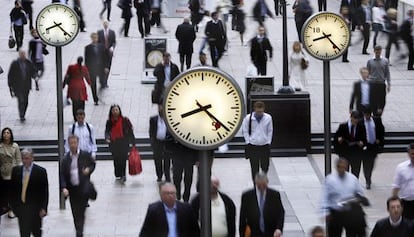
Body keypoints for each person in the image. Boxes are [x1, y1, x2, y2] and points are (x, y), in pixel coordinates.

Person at [320, 158, 368, 237]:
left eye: (343, 167)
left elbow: (360, 193)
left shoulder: (352, 179)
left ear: (346, 167)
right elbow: (324, 197)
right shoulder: (330, 180)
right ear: (336, 167)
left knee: (352, 233)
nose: (342, 169)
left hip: (350, 213)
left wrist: (357, 199)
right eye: (340, 167)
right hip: (336, 213)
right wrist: (324, 212)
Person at [60, 135, 96, 237]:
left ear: (78, 143)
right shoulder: (66, 159)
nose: (73, 145)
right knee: (75, 212)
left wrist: (89, 170)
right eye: (71, 143)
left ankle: (79, 232)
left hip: (83, 188)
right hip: (72, 190)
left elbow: (93, 164)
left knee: (81, 211)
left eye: (74, 143)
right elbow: (62, 174)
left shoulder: (85, 155)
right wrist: (64, 187)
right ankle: (78, 229)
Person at [10, 148, 48, 237]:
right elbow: (12, 191)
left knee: (36, 233)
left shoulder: (40, 172)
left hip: (35, 209)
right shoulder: (16, 171)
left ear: (32, 158)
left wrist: (44, 208)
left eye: (27, 158)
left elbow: (44, 192)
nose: (24, 161)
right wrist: (14, 208)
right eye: (23, 158)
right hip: (22, 209)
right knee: (24, 233)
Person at [239, 172, 285, 237]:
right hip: (253, 232)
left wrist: (279, 228)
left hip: (271, 232)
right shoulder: (247, 196)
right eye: (259, 185)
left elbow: (281, 212)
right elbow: (242, 217)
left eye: (264, 184)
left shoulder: (274, 195)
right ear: (256, 183)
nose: (262, 187)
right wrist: (242, 234)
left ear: (267, 182)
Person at [242, 101, 273, 182]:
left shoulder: (268, 117)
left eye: (261, 111)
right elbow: (245, 130)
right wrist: (248, 141)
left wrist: (268, 141)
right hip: (253, 146)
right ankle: (255, 185)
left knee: (265, 166)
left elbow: (270, 130)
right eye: (258, 111)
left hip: (264, 145)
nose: (260, 113)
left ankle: (263, 182)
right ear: (254, 109)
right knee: (254, 168)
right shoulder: (248, 118)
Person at [105, 104, 135, 183]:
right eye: (113, 110)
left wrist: (133, 142)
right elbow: (107, 131)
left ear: (119, 111)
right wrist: (107, 138)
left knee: (123, 159)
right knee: (116, 159)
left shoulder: (125, 120)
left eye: (116, 110)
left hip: (124, 142)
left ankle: (123, 174)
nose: (115, 112)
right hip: (114, 143)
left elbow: (130, 131)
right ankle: (118, 173)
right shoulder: (109, 122)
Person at [333, 111, 366, 177]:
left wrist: (362, 143)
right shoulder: (343, 126)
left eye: (357, 119)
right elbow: (336, 138)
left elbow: (364, 139)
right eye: (354, 118)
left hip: (356, 154)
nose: (356, 121)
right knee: (344, 173)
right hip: (345, 153)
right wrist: (339, 140)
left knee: (355, 173)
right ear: (351, 117)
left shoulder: (361, 127)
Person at [0, 127, 22, 219]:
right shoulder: (0, 146)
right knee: (5, 192)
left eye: (8, 132)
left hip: (13, 172)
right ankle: (6, 207)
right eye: (4, 132)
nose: (6, 134)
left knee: (13, 192)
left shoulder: (15, 146)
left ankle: (12, 209)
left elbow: (18, 159)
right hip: (3, 172)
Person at [8, 49, 35, 122]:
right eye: (22, 54)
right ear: (19, 55)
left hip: (26, 86)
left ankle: (23, 113)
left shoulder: (28, 63)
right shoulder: (15, 64)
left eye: (24, 54)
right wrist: (10, 85)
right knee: (21, 100)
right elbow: (10, 75)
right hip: (18, 86)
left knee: (26, 101)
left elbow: (32, 71)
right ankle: (21, 115)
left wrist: (35, 77)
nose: (23, 55)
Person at [360, 108, 384, 189]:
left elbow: (381, 130)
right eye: (365, 115)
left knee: (371, 163)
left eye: (368, 115)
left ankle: (369, 174)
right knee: (365, 164)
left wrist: (379, 140)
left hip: (373, 146)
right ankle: (368, 179)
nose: (367, 116)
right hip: (365, 146)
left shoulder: (376, 120)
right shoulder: (360, 122)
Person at [63, 56, 91, 122]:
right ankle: (81, 115)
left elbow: (66, 76)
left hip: (73, 86)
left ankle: (75, 117)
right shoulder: (84, 68)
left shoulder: (71, 67)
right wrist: (90, 84)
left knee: (75, 103)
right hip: (81, 87)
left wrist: (63, 85)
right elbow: (87, 78)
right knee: (82, 102)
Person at [366, 45, 390, 117]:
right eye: (376, 50)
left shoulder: (385, 61)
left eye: (379, 50)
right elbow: (368, 72)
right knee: (372, 99)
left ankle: (379, 113)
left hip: (381, 83)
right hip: (372, 83)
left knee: (382, 99)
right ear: (374, 51)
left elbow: (387, 73)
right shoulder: (370, 61)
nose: (378, 52)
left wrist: (389, 84)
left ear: (381, 51)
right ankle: (374, 113)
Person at [392, 143, 414, 219]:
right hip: (406, 203)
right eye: (412, 154)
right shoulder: (401, 167)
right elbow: (396, 186)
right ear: (408, 154)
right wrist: (393, 201)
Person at [149, 105, 171, 182]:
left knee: (167, 160)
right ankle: (159, 175)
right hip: (157, 142)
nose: (161, 109)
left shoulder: (169, 119)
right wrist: (152, 141)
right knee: (157, 160)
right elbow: (151, 131)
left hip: (167, 142)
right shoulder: (153, 119)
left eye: (162, 107)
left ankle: (167, 176)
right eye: (159, 107)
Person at [84, 32, 107, 105]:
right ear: (91, 38)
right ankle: (95, 99)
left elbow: (105, 57)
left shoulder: (102, 46)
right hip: (92, 69)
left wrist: (106, 67)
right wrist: (86, 70)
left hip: (100, 68)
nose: (94, 39)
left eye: (96, 37)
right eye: (93, 38)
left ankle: (100, 93)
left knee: (102, 82)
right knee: (93, 84)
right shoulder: (88, 48)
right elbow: (86, 59)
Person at [97, 20, 116, 88]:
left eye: (106, 23)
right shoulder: (99, 32)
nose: (105, 24)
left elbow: (114, 42)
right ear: (103, 24)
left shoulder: (112, 32)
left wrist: (112, 48)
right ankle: (102, 81)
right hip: (101, 53)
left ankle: (105, 81)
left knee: (108, 67)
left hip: (109, 53)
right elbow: (97, 42)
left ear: (108, 24)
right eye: (104, 23)